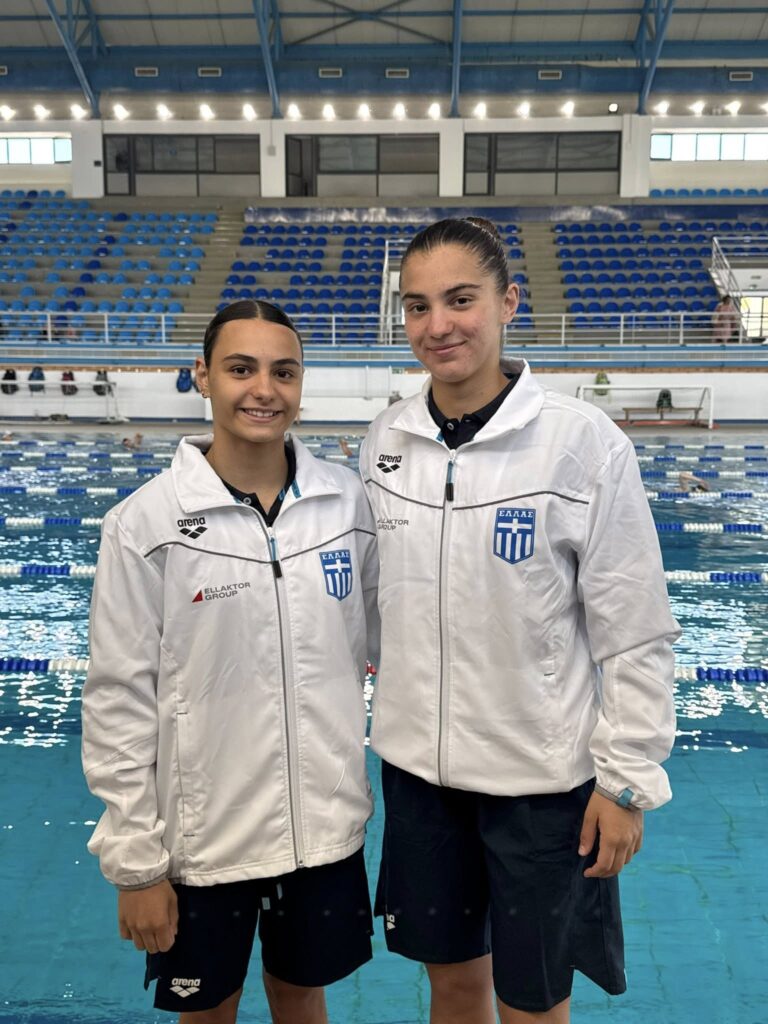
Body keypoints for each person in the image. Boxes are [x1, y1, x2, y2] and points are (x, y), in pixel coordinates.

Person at [359, 217, 680, 1024]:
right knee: (450, 986)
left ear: (508, 302)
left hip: (540, 788)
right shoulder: (387, 438)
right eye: (418, 306)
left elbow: (636, 629)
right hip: (419, 778)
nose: (438, 325)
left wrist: (626, 781)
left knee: (533, 1002)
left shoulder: (581, 443)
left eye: (460, 300)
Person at [82, 299, 379, 1023]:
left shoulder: (345, 503)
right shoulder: (144, 524)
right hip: (204, 843)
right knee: (208, 1011)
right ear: (203, 376)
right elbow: (119, 697)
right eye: (241, 369)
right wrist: (136, 863)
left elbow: (389, 645)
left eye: (284, 371)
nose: (264, 390)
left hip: (324, 832)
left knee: (303, 1000)